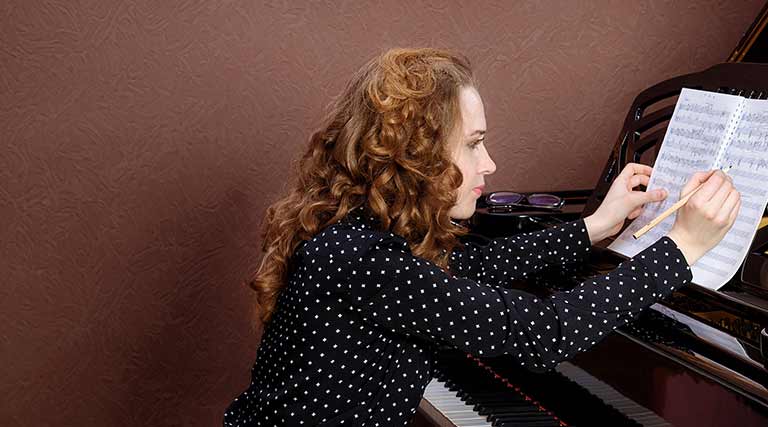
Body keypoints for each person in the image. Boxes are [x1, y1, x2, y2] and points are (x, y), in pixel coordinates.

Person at [224, 47, 740, 426]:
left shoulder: (362, 233)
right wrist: (683, 248)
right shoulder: (363, 260)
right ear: (416, 154)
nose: (488, 163)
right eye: (473, 144)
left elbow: (474, 266)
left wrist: (594, 227)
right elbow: (544, 333)